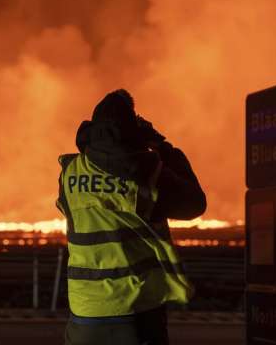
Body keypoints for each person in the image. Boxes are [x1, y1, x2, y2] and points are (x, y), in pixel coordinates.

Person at [56, 89, 207, 345]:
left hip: (85, 313)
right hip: (137, 312)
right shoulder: (148, 173)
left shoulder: (69, 173)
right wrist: (162, 147)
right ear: (132, 127)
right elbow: (195, 204)